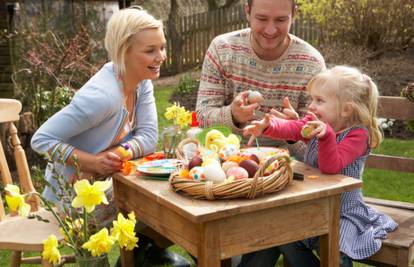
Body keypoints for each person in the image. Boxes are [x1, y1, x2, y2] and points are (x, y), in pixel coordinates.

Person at [31, 6, 190, 267]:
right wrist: (92, 162)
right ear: (123, 51)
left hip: (105, 184)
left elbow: (149, 136)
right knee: (160, 210)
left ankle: (145, 255)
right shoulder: (102, 97)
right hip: (71, 198)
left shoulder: (142, 80)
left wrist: (118, 154)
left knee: (167, 205)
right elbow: (41, 140)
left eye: (161, 47)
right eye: (150, 50)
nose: (160, 56)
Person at [242, 65, 398, 266]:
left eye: (319, 100)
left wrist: (326, 136)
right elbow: (293, 128)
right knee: (286, 236)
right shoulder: (317, 123)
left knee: (337, 248)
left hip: (341, 210)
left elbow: (331, 167)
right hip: (312, 203)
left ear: (346, 109)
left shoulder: (357, 135)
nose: (311, 106)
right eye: (312, 99)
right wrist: (269, 126)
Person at [195, 0, 326, 159]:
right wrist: (233, 115)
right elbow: (203, 117)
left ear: (294, 14)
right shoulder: (222, 50)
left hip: (286, 170)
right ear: (247, 11)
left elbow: (318, 150)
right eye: (262, 19)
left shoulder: (312, 64)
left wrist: (293, 132)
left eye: (281, 20)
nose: (270, 30)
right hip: (226, 164)